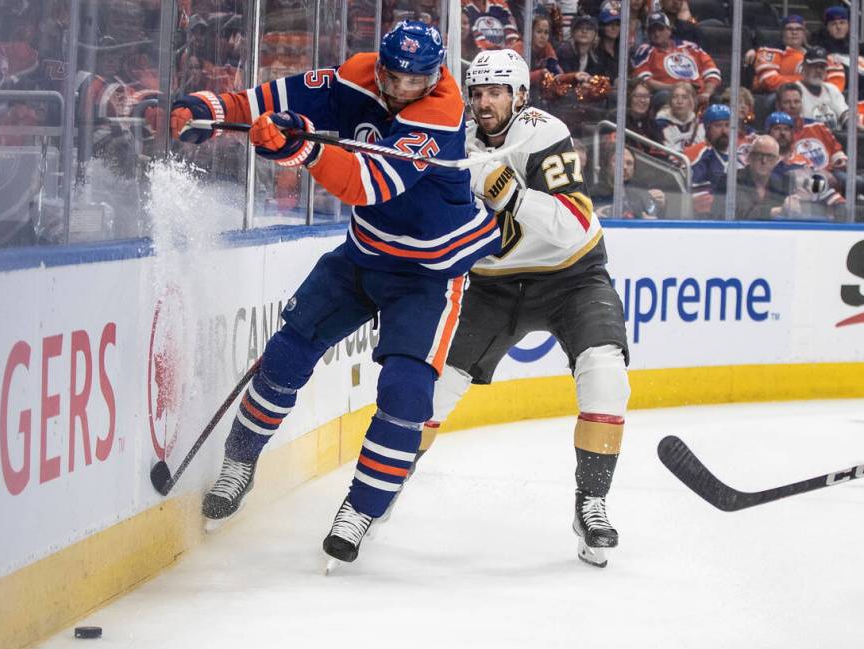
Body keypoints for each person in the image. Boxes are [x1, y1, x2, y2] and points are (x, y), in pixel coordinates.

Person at [168, 20, 501, 566]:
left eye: (412, 82)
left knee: (406, 393)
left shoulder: (440, 113)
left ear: (435, 75)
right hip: (364, 255)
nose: (397, 90)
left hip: (428, 274)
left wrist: (300, 151)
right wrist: (214, 108)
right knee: (285, 354)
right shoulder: (358, 74)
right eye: (392, 77)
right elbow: (282, 96)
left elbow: (367, 184)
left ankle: (361, 509)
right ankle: (239, 461)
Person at [401, 49, 631, 568]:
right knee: (433, 389)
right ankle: (381, 491)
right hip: (491, 286)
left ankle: (591, 503)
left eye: (496, 92)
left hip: (572, 275)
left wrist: (508, 192)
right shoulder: (451, 136)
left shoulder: (542, 133)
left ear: (519, 95)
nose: (484, 103)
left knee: (605, 370)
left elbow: (573, 222)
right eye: (477, 92)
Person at [631, 12, 721, 108]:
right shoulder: (645, 50)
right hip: (669, 96)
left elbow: (712, 72)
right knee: (663, 96)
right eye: (652, 31)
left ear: (669, 30)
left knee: (717, 100)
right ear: (648, 33)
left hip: (698, 96)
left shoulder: (690, 47)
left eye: (661, 29)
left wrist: (706, 93)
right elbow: (644, 81)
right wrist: (674, 88)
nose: (657, 34)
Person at [685, 104, 734, 217]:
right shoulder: (699, 155)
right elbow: (699, 200)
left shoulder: (740, 155)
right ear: (707, 128)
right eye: (718, 125)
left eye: (727, 125)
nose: (724, 131)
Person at [796, 46, 849, 131]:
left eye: (822, 67)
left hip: (836, 140)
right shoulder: (795, 91)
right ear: (804, 67)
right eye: (814, 66)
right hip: (808, 139)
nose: (818, 70)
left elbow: (846, 116)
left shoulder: (832, 89)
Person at [655, 81, 703, 151]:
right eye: (675, 97)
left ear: (691, 101)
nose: (679, 101)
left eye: (684, 97)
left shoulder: (699, 124)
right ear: (670, 101)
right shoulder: (660, 124)